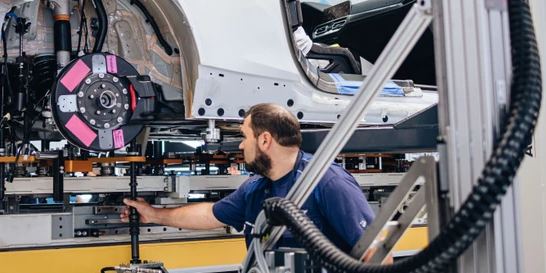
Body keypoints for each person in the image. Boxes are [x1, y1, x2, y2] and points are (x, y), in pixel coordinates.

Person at [120, 103, 375, 253]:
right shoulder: (255, 188)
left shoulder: (327, 183)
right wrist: (153, 215)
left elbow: (375, 255)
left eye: (244, 136)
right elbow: (209, 215)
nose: (241, 145)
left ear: (264, 140)